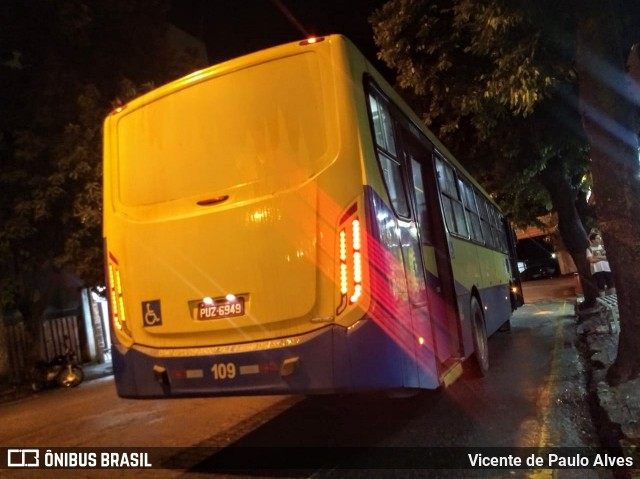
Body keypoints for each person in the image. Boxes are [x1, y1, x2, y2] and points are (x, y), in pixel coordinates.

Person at [586, 232, 615, 296]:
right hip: (597, 270)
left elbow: (608, 257)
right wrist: (603, 258)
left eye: (600, 238)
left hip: (607, 268)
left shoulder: (603, 247)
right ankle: (603, 300)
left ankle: (613, 298)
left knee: (611, 283)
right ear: (593, 240)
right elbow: (591, 260)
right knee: (600, 285)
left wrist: (597, 257)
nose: (599, 239)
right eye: (597, 238)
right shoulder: (589, 249)